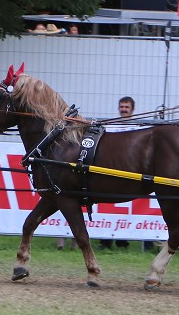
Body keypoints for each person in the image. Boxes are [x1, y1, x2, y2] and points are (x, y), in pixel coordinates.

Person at [58, 96, 135, 251]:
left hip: (128, 170)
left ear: (132, 109)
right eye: (122, 106)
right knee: (107, 209)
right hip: (109, 170)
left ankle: (122, 243)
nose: (124, 109)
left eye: (127, 107)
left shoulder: (137, 127)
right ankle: (105, 241)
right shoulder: (112, 126)